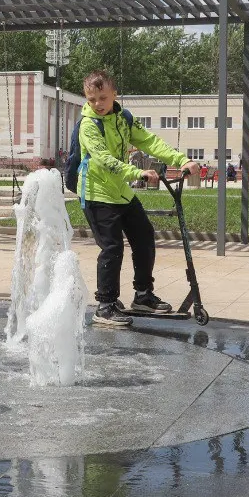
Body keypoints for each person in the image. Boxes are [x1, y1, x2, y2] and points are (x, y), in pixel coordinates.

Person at [76, 71, 199, 328]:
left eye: (103, 97)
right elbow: (103, 159)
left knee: (144, 236)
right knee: (112, 247)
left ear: (114, 95)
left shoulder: (124, 119)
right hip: (96, 193)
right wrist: (138, 172)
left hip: (121, 192)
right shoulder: (88, 125)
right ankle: (106, 305)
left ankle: (143, 295)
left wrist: (181, 160)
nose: (98, 104)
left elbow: (150, 142)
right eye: (92, 99)